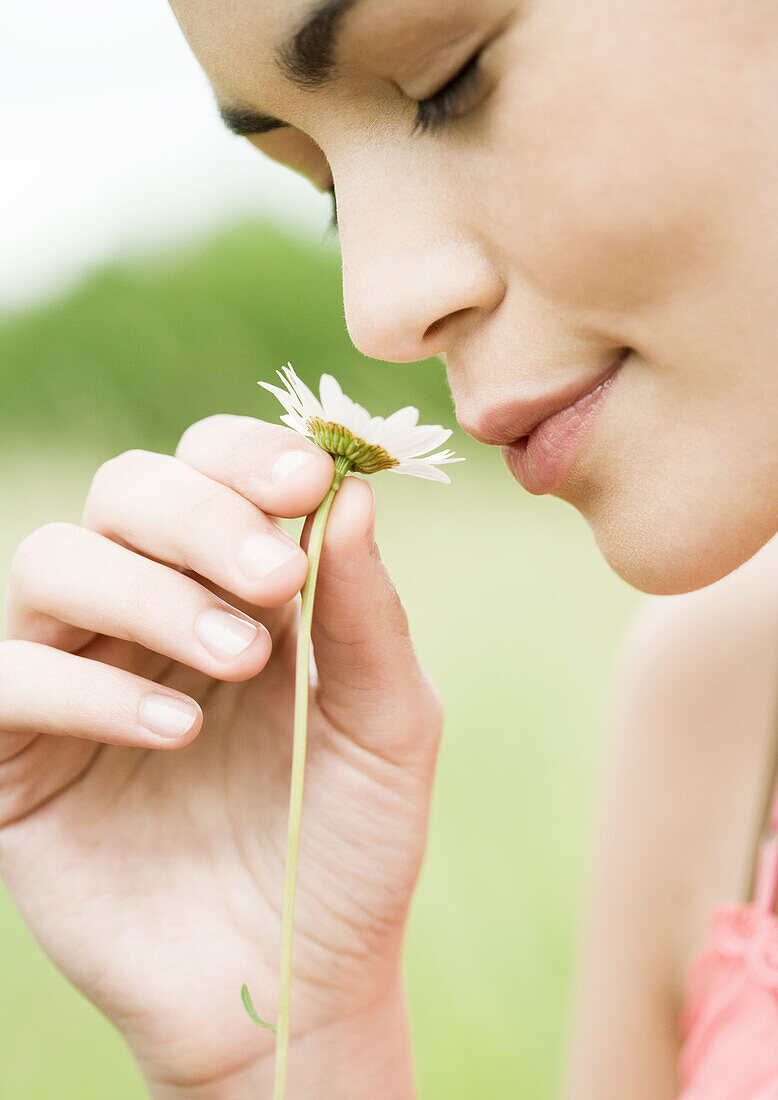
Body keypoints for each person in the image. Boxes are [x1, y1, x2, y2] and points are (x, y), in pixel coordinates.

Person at [1, 0, 776, 1095]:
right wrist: (292, 1052)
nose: (378, 308)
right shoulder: (723, 708)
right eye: (325, 195)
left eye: (443, 82)